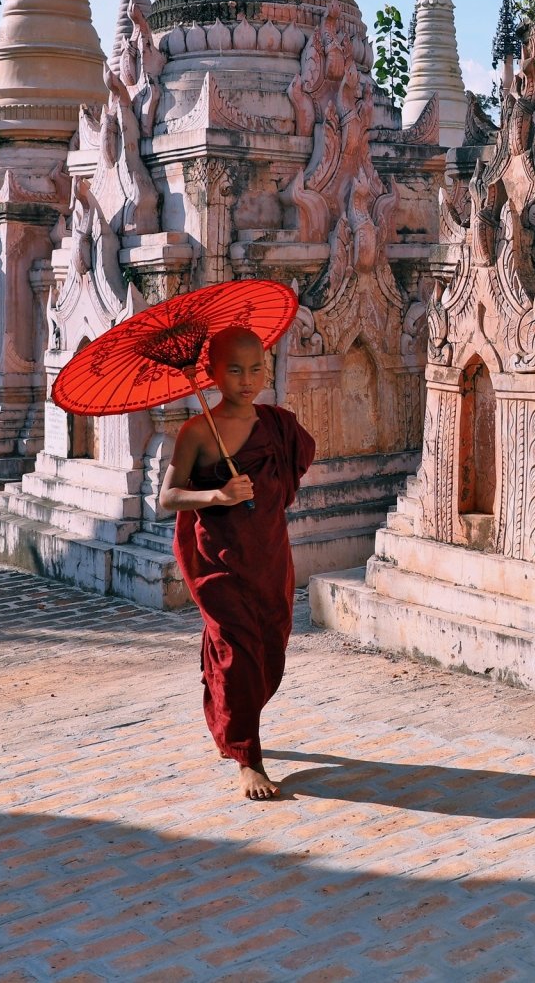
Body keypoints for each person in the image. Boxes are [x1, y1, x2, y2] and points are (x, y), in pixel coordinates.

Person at [159, 326, 316, 800]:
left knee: (267, 647)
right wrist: (218, 495)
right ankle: (249, 758)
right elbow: (168, 497)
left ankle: (227, 717)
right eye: (234, 370)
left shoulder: (277, 423)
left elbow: (293, 466)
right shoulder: (196, 432)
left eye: (256, 369)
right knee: (237, 652)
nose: (247, 381)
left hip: (268, 554)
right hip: (219, 559)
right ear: (210, 373)